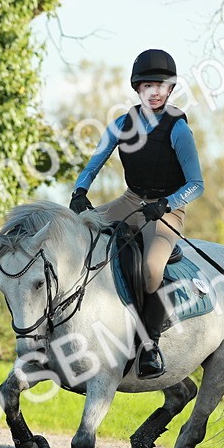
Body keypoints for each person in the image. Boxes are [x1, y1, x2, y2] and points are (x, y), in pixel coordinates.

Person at [69, 48, 205, 380]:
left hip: (166, 211)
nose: (155, 91)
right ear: (138, 89)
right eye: (148, 85)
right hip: (129, 201)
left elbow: (197, 184)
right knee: (73, 232)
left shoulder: (178, 130)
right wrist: (79, 192)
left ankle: (150, 346)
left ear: (170, 89)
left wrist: (168, 204)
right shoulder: (120, 125)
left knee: (150, 269)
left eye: (162, 85)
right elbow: (93, 164)